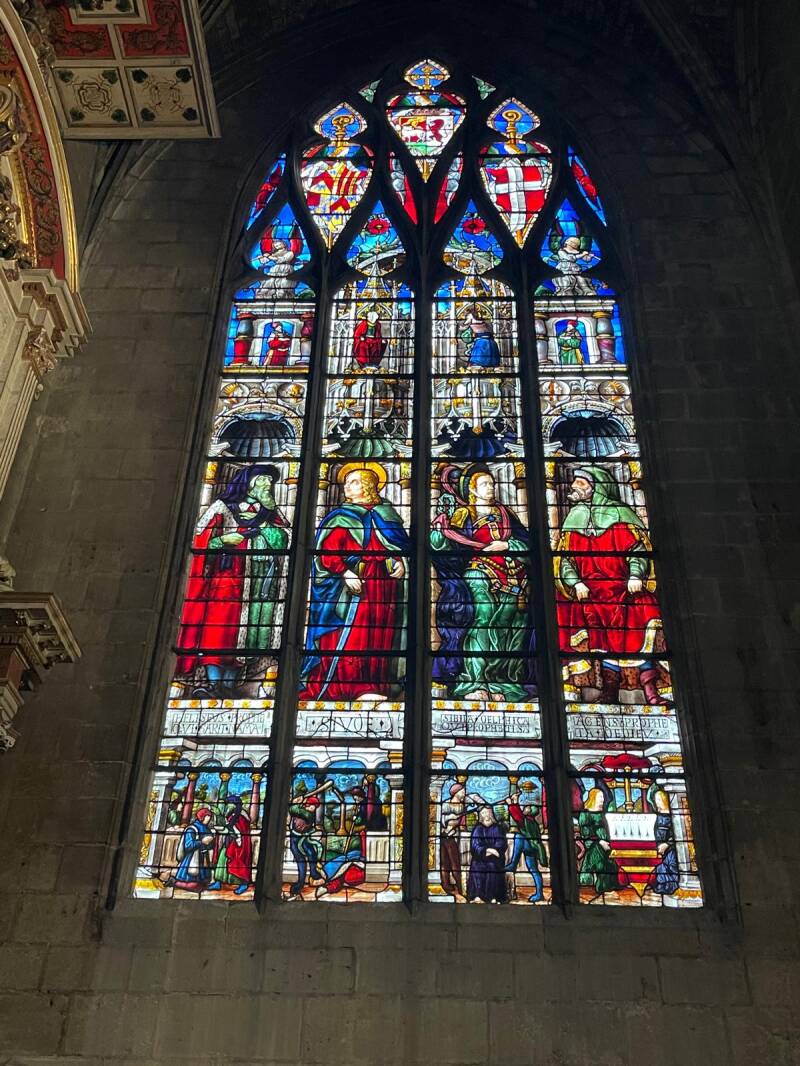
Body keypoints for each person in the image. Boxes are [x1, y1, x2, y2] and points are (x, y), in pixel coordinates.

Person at [176, 465, 291, 698]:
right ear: (248, 482)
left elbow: (283, 540)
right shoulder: (223, 507)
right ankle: (213, 683)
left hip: (259, 581)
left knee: (246, 636)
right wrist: (223, 541)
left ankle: (229, 686)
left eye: (270, 481)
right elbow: (200, 538)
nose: (268, 485)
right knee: (218, 629)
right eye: (263, 480)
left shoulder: (272, 514)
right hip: (227, 577)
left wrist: (264, 527)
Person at [300, 463, 411, 702]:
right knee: (353, 634)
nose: (347, 487)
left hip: (383, 585)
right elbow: (326, 553)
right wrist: (345, 573)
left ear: (369, 486)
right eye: (346, 482)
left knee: (379, 635)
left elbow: (398, 546)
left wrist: (400, 561)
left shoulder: (387, 515)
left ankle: (376, 685)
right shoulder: (340, 518)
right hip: (351, 587)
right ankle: (348, 687)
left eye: (354, 482)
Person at [555, 465, 665, 704]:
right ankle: (609, 689)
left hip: (623, 589)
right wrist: (576, 583)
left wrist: (635, 575)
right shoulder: (573, 519)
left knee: (644, 616)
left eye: (580, 483)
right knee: (594, 633)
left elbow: (636, 551)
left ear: (596, 487)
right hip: (591, 592)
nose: (573, 486)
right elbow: (566, 561)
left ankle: (650, 690)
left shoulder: (619, 515)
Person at [431, 464, 533, 702]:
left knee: (510, 629)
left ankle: (501, 683)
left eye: (492, 483)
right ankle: (473, 681)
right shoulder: (462, 515)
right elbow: (445, 545)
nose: (491, 487)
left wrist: (507, 545)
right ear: (473, 490)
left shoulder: (506, 514)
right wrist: (438, 532)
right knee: (482, 620)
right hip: (479, 573)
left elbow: (529, 545)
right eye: (485, 484)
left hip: (515, 578)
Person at [503, 785, 548, 902]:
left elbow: (517, 816)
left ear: (530, 811)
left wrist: (511, 803)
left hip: (529, 845)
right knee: (534, 869)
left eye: (527, 807)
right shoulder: (533, 823)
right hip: (532, 848)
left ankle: (513, 864)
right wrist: (515, 801)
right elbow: (519, 815)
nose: (525, 807)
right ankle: (539, 893)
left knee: (518, 837)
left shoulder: (527, 821)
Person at [439, 780, 483, 897]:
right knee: (445, 863)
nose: (464, 793)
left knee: (455, 863)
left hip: (453, 836)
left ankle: (460, 888)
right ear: (456, 792)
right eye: (462, 791)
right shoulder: (446, 804)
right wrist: (450, 820)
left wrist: (479, 802)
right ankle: (446, 885)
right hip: (444, 836)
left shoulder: (464, 802)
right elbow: (440, 819)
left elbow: (475, 797)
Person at [287, 780, 331, 897]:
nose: (314, 809)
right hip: (295, 839)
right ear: (307, 805)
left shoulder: (307, 814)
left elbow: (294, 810)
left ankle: (314, 875)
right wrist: (296, 802)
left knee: (312, 855)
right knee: (301, 860)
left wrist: (295, 802)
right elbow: (292, 810)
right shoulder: (301, 810)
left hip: (304, 839)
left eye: (315, 807)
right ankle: (301, 882)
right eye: (312, 806)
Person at [577, 788, 620, 897]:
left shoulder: (602, 813)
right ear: (593, 798)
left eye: (603, 797)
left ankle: (612, 885)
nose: (602, 799)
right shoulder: (585, 814)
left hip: (607, 842)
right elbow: (586, 833)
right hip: (593, 844)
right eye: (600, 797)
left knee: (613, 862)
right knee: (601, 863)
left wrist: (608, 841)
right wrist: (600, 842)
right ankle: (602, 887)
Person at [208, 796, 253, 895]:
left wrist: (229, 830)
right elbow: (227, 826)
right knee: (221, 861)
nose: (228, 806)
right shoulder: (230, 815)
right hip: (228, 843)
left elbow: (241, 830)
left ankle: (243, 884)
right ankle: (218, 882)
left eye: (229, 803)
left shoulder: (242, 817)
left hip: (238, 845)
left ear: (235, 805)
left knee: (239, 863)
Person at [466, 806, 508, 903]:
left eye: (487, 812)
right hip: (480, 858)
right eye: (483, 813)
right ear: (481, 815)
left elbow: (502, 843)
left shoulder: (497, 828)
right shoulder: (478, 828)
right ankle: (477, 895)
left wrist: (494, 851)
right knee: (476, 866)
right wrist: (488, 850)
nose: (486, 815)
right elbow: (475, 846)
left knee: (492, 866)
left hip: (494, 859)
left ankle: (493, 896)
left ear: (491, 813)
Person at [173, 807, 215, 891]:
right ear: (201, 817)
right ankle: (175, 882)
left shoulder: (207, 829)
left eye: (209, 817)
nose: (208, 819)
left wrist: (210, 842)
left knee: (204, 883)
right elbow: (188, 845)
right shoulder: (191, 829)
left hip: (204, 859)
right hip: (192, 859)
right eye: (207, 816)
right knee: (192, 883)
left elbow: (210, 845)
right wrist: (202, 842)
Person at [649, 787, 679, 896]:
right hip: (658, 845)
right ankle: (662, 885)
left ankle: (671, 885)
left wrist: (667, 844)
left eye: (659, 799)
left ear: (664, 799)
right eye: (655, 800)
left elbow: (677, 833)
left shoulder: (673, 814)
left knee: (670, 863)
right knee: (659, 865)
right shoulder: (656, 816)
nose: (657, 802)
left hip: (670, 847)